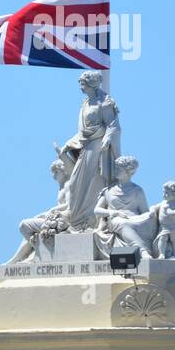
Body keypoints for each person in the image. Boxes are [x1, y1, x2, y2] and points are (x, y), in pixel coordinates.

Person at [56, 70, 121, 232]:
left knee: (91, 182)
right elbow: (82, 132)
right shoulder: (85, 103)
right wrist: (69, 144)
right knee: (74, 184)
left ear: (91, 84)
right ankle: (78, 219)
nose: (80, 86)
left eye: (83, 83)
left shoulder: (105, 103)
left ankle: (86, 220)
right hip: (85, 145)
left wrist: (107, 139)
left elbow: (113, 126)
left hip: (97, 146)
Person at [7, 158, 73, 264]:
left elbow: (70, 206)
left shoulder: (68, 184)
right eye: (53, 172)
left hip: (62, 220)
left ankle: (36, 253)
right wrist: (44, 214)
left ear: (62, 171)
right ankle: (19, 258)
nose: (54, 176)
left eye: (56, 172)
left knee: (24, 225)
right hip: (55, 217)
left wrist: (52, 210)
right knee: (30, 233)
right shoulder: (61, 186)